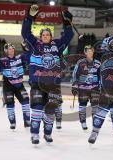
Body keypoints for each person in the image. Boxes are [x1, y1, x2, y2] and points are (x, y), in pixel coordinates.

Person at [21, 4, 74, 144]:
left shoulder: (57, 45)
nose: (45, 36)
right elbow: (25, 33)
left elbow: (69, 35)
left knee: (50, 111)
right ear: (40, 36)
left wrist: (67, 22)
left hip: (53, 85)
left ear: (51, 36)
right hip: (37, 83)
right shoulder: (34, 44)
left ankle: (48, 134)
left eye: (48, 34)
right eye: (43, 34)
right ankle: (34, 134)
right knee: (38, 109)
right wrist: (29, 17)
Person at [0, 44, 30, 130]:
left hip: (19, 85)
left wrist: (26, 50)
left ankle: (27, 121)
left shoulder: (19, 57)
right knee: (10, 104)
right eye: (9, 49)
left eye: (12, 48)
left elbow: (29, 57)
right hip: (8, 86)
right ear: (6, 51)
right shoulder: (3, 60)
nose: (11, 50)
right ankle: (12, 122)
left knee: (26, 101)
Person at [72, 45, 101, 130]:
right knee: (82, 105)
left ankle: (95, 123)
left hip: (94, 88)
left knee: (95, 106)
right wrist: (74, 85)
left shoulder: (98, 63)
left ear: (93, 52)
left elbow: (101, 76)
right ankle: (83, 122)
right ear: (85, 52)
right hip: (83, 88)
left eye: (91, 51)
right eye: (88, 51)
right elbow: (75, 74)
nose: (90, 52)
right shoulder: (80, 62)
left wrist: (101, 85)